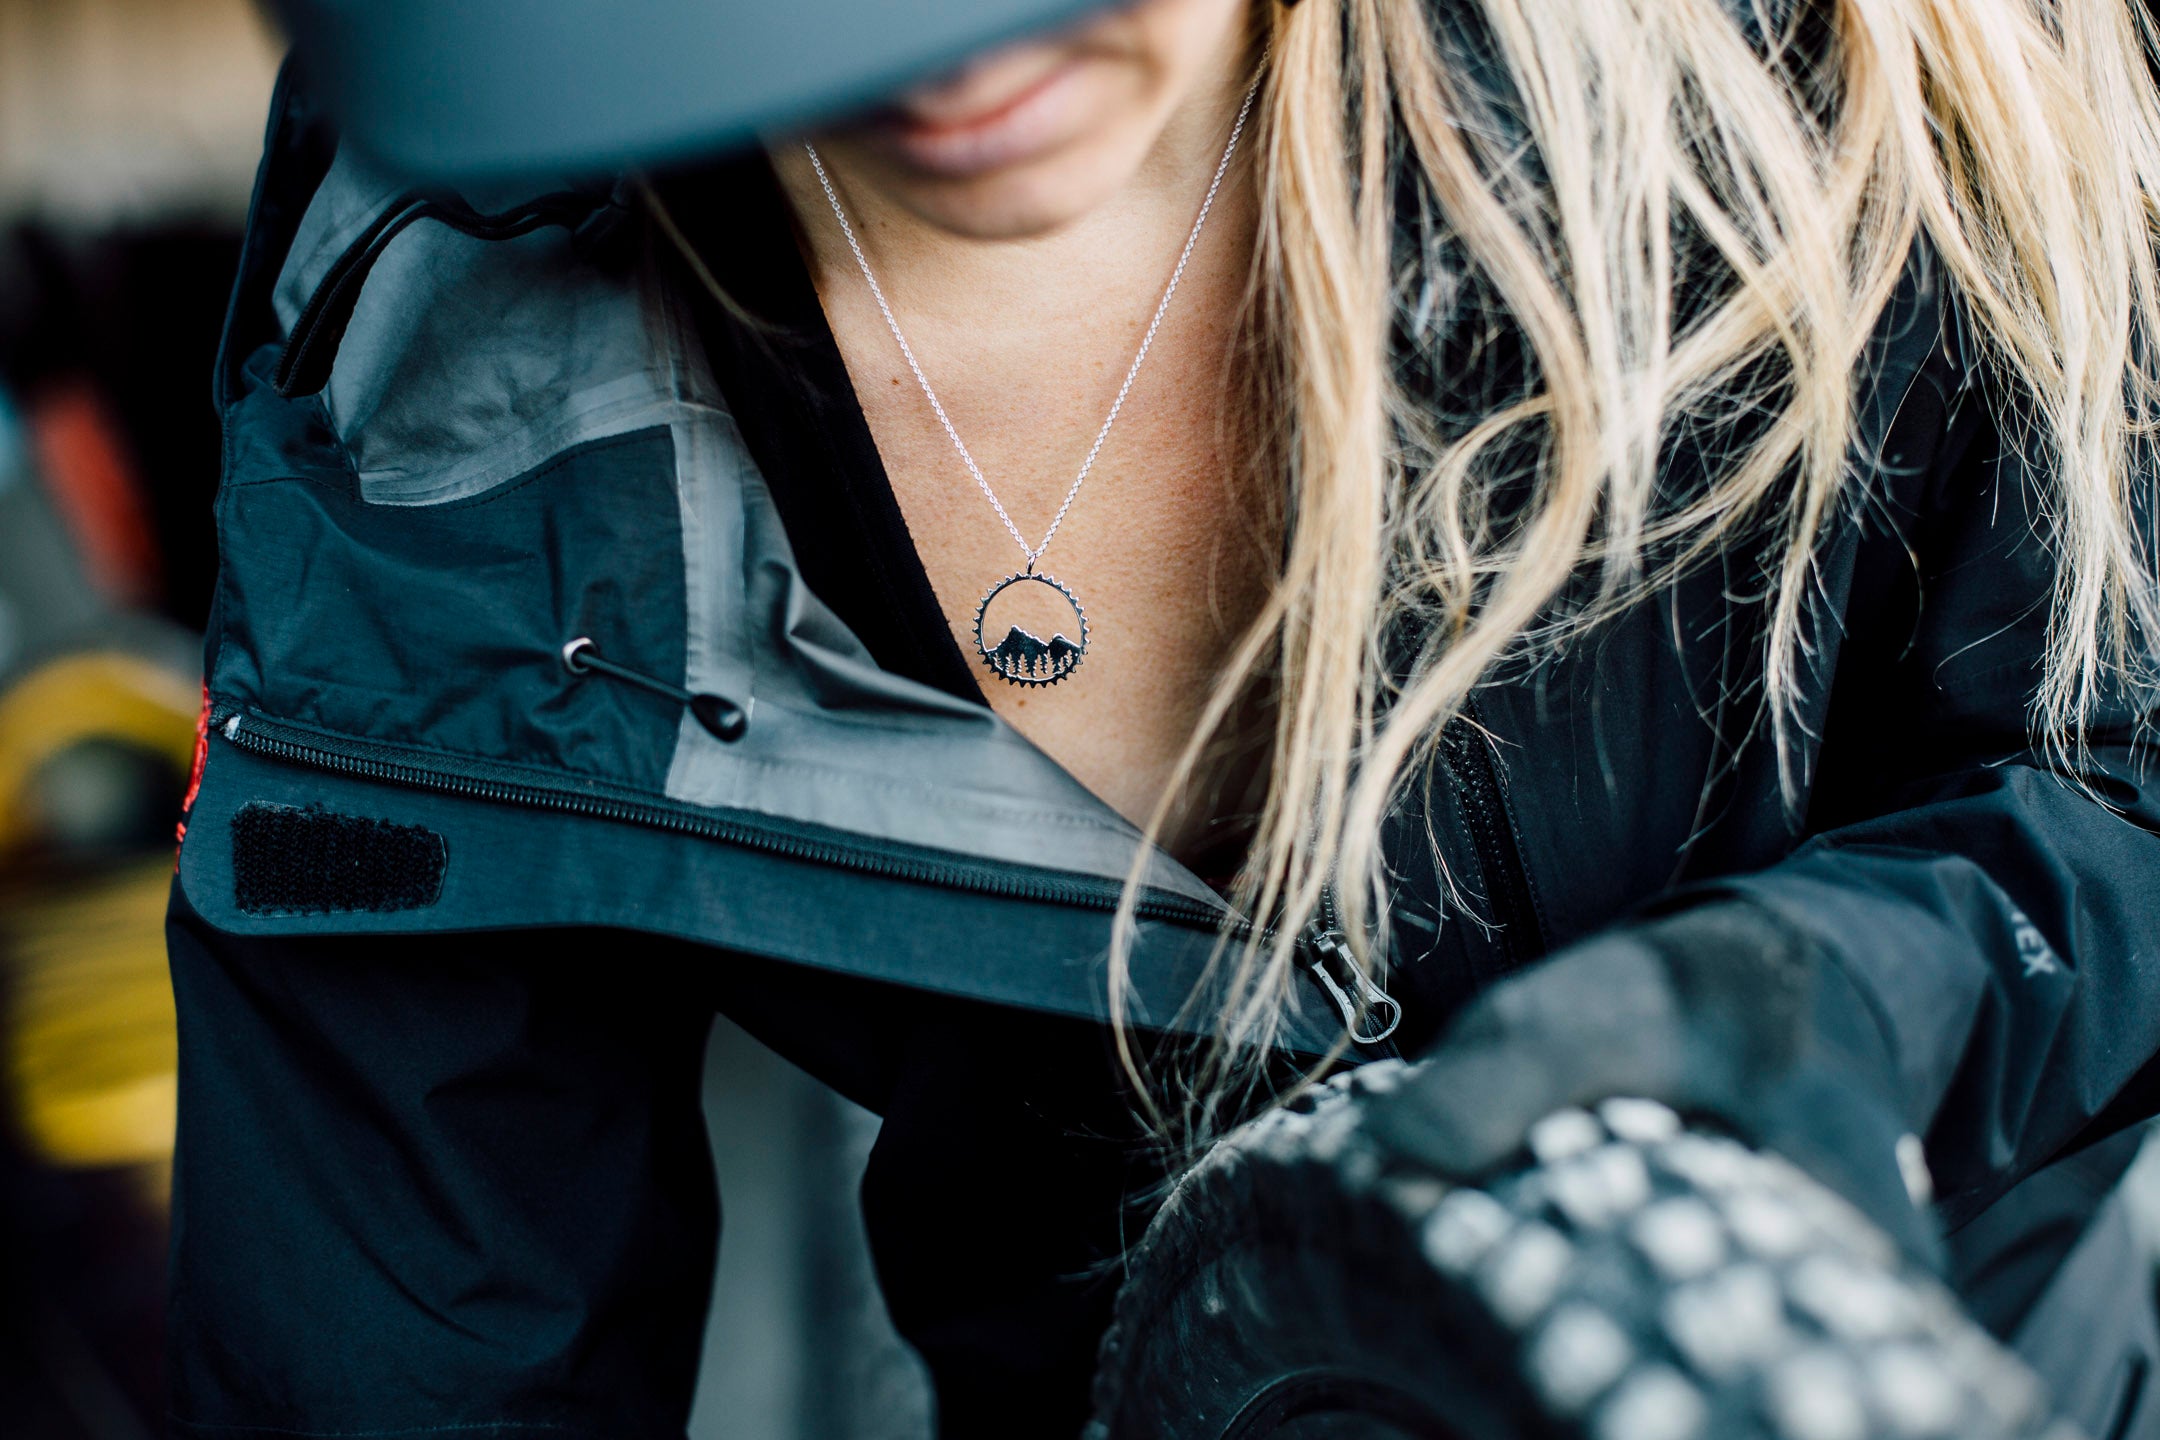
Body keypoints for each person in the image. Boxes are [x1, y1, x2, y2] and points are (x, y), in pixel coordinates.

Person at [167, 0, 2160, 1435]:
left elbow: (2125, 766)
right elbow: (412, 1318)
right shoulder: (444, 303)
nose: (949, 66)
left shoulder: (1855, 75)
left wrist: (1860, 992)